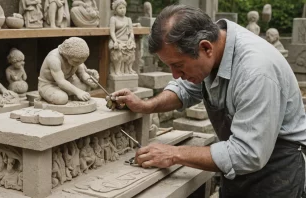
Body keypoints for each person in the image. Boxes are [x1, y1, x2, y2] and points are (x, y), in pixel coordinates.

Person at [109, 5, 306, 198]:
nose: (175, 75)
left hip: (276, 171)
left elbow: (248, 154)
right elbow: (185, 89)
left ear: (205, 47)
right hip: (238, 170)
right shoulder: (216, 48)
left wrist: (173, 154)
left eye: (178, 66)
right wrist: (147, 106)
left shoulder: (255, 72)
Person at [38, 37, 99, 105]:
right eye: (77, 62)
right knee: (62, 99)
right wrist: (78, 92)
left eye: (82, 62)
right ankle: (65, 95)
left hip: (69, 80)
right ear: (67, 56)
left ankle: (69, 94)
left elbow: (81, 72)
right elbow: (61, 81)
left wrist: (88, 79)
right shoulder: (54, 59)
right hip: (49, 85)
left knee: (86, 87)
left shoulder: (76, 59)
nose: (79, 64)